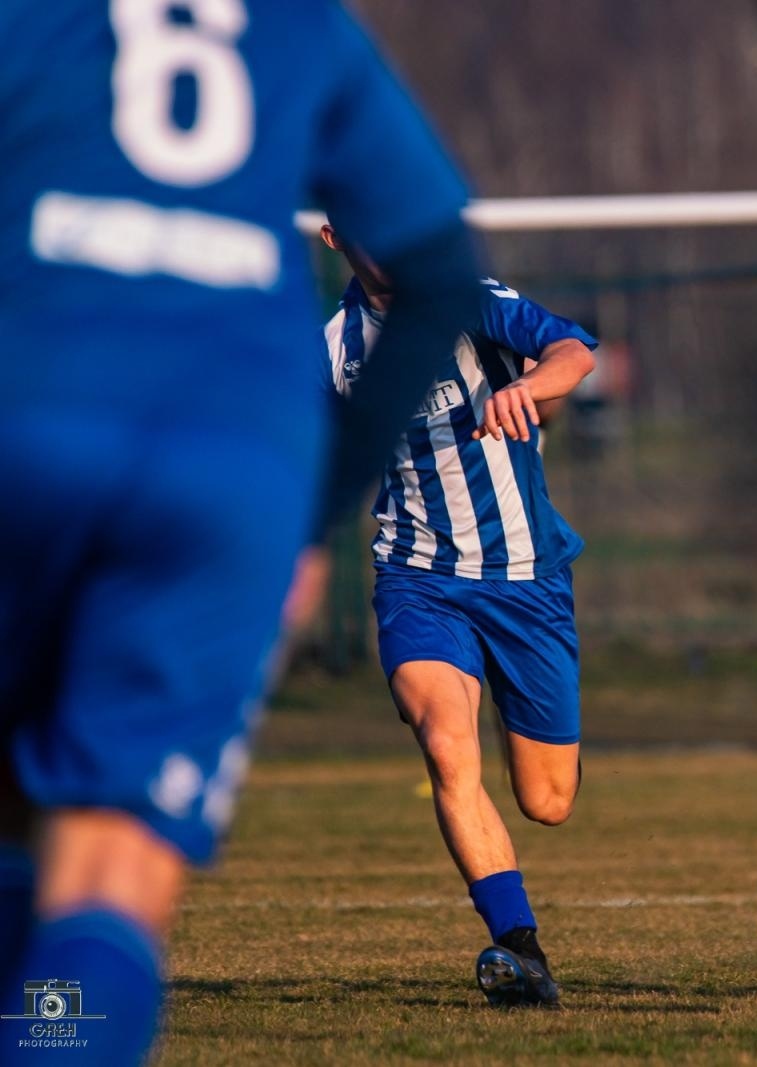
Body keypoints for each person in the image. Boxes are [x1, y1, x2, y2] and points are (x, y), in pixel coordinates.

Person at [0, 3, 483, 1061]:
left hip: (31, 408)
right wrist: (306, 513)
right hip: (231, 463)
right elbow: (441, 276)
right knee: (104, 870)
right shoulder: (299, 25)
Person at [320, 225, 596, 1008]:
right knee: (446, 744)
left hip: (525, 580)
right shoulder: (336, 349)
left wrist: (528, 385)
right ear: (334, 232)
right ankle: (520, 949)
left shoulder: (465, 299)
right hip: (417, 578)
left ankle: (540, 755)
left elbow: (577, 352)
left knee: (547, 800)